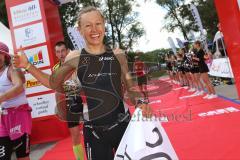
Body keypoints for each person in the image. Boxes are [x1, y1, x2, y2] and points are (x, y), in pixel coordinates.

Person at [13, 6, 152, 160]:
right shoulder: (75, 57)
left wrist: (141, 101)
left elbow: (131, 90)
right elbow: (53, 82)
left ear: (104, 25)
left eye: (98, 23)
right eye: (88, 25)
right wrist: (27, 65)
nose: (94, 29)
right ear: (79, 30)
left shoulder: (118, 55)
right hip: (94, 134)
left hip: (123, 128)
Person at [0, 42, 32, 160]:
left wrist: (1, 98)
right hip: (3, 118)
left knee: (22, 157)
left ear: (5, 56)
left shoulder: (12, 70)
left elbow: (19, 87)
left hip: (19, 116)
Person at [53, 41, 84, 160]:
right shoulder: (55, 68)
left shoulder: (75, 63)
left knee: (91, 131)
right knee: (75, 135)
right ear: (56, 54)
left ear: (67, 51)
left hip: (82, 99)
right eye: (58, 51)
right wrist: (59, 107)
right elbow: (57, 89)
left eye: (62, 51)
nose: (61, 54)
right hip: (68, 102)